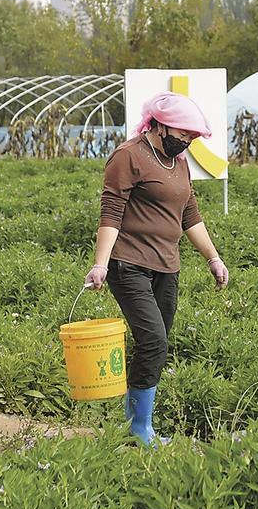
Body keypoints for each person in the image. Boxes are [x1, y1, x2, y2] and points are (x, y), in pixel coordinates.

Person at [86, 92, 229, 446]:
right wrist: (100, 264)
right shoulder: (128, 156)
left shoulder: (178, 162)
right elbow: (111, 212)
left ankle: (135, 424)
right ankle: (139, 430)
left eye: (193, 137)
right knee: (153, 340)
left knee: (156, 343)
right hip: (128, 264)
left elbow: (189, 214)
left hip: (167, 266)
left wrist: (213, 258)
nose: (187, 142)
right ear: (160, 125)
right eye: (183, 134)